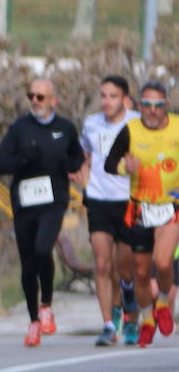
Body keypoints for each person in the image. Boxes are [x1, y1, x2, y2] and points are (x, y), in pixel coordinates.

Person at [0, 78, 85, 347]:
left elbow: (77, 157)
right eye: (31, 95)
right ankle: (33, 321)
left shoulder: (65, 128)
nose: (34, 100)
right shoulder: (20, 128)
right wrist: (21, 160)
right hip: (23, 203)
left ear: (54, 100)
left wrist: (70, 164)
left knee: (43, 249)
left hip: (54, 200)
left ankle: (47, 306)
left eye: (41, 97)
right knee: (28, 264)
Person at [103, 80, 179, 348]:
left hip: (170, 206)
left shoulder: (177, 127)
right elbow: (109, 163)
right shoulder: (130, 130)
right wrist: (126, 167)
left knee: (164, 262)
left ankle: (163, 304)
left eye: (158, 105)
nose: (152, 110)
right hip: (139, 209)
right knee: (142, 272)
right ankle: (147, 319)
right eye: (147, 104)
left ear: (165, 106)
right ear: (139, 105)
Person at [78, 75, 139, 345]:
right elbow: (84, 154)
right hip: (98, 199)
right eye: (103, 95)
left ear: (124, 99)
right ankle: (107, 325)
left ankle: (128, 315)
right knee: (103, 264)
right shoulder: (91, 124)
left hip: (128, 201)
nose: (106, 101)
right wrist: (80, 171)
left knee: (126, 271)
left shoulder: (137, 123)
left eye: (112, 96)